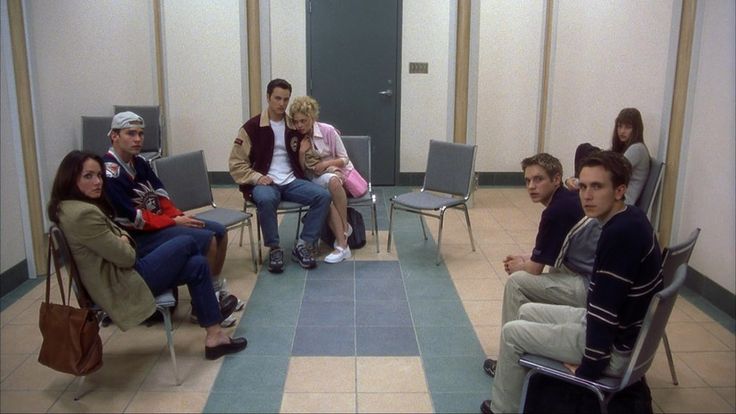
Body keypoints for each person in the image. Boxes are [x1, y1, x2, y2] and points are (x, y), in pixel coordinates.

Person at [481, 150, 662, 414]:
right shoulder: (632, 218)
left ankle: (502, 410)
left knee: (512, 334)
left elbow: (605, 313)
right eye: (584, 186)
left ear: (620, 190)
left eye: (597, 187)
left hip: (612, 350)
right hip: (618, 333)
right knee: (524, 311)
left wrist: (589, 367)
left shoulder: (619, 236)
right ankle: (519, 377)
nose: (586, 195)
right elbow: (604, 307)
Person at [47, 151, 247, 360]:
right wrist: (124, 240)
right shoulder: (83, 214)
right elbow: (127, 257)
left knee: (197, 264)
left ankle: (215, 337)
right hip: (122, 284)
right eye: (88, 176)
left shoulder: (70, 207)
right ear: (70, 178)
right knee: (189, 241)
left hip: (120, 275)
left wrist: (122, 238)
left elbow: (119, 232)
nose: (97, 182)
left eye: (99, 176)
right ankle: (210, 302)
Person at [102, 111, 240, 327]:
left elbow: (160, 193)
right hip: (140, 236)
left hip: (161, 224)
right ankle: (203, 306)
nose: (138, 139)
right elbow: (133, 218)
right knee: (208, 238)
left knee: (219, 230)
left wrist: (177, 215)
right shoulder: (110, 172)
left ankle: (212, 292)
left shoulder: (139, 162)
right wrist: (173, 222)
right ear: (114, 136)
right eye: (131, 133)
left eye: (140, 134)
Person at [482, 153, 601, 377]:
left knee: (517, 283)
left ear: (557, 179)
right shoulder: (568, 199)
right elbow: (550, 251)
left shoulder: (555, 212)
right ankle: (531, 344)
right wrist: (526, 258)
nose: (531, 186)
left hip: (589, 288)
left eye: (538, 179)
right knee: (544, 271)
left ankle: (510, 359)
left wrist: (519, 266)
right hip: (595, 282)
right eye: (527, 181)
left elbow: (536, 269)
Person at [229, 79, 332, 273]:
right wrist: (257, 177)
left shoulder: (294, 126)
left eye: (286, 99)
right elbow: (236, 164)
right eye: (277, 98)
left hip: (292, 180)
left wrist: (329, 166)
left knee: (323, 196)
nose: (282, 104)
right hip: (265, 182)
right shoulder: (251, 128)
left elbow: (309, 159)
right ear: (268, 97)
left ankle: (303, 245)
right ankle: (275, 248)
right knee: (266, 199)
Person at [289, 96, 367, 264]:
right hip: (311, 178)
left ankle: (342, 239)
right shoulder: (295, 137)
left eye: (304, 120)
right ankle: (343, 239)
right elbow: (300, 172)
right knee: (326, 193)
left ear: (313, 117)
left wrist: (326, 164)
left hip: (335, 173)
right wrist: (302, 153)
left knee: (331, 185)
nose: (300, 125)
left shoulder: (327, 130)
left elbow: (344, 159)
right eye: (296, 122)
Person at [565, 108, 650, 204]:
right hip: (612, 195)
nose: (622, 131)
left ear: (636, 129)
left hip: (621, 200)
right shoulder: (623, 147)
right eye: (619, 126)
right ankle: (579, 183)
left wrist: (577, 182)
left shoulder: (637, 149)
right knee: (584, 149)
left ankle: (579, 184)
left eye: (627, 127)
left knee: (569, 200)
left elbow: (607, 173)